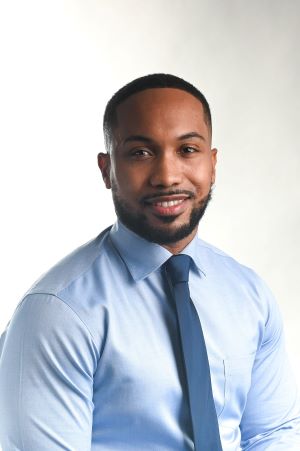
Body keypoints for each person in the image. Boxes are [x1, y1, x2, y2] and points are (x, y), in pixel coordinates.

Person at [0, 73, 299, 450]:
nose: (167, 176)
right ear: (107, 169)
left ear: (212, 162)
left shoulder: (248, 294)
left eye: (187, 150)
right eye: (141, 153)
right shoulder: (57, 314)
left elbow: (272, 433)